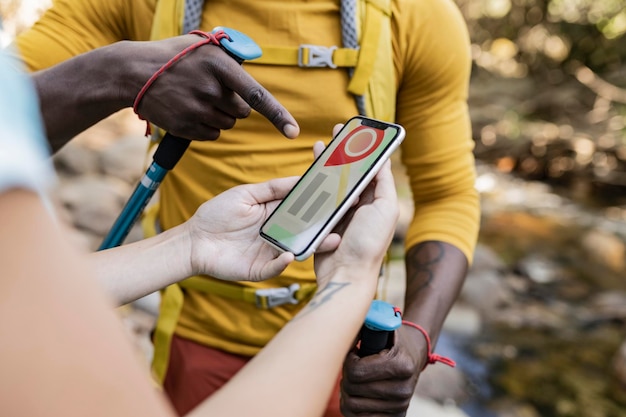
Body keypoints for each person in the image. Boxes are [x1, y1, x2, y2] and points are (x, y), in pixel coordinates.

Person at [14, 1, 480, 415]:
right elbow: (8, 114)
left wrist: (417, 335)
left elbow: (448, 194)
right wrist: (115, 74)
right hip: (196, 335)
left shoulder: (417, 14)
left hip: (356, 351)